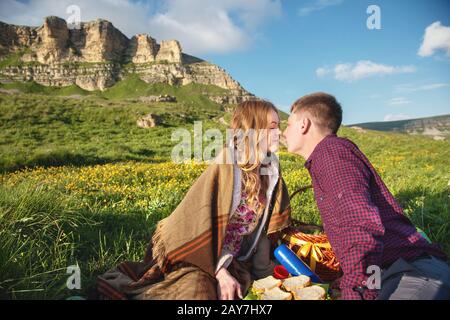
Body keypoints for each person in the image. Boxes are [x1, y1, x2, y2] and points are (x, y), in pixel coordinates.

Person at [96, 100, 292, 300]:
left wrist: (263, 272)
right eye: (272, 127)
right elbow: (201, 226)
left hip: (235, 257)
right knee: (196, 294)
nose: (279, 133)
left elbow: (262, 230)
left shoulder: (270, 170)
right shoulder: (227, 166)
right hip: (197, 256)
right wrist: (220, 272)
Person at [282, 92, 450, 300]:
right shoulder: (328, 155)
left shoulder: (330, 153)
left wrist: (357, 292)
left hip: (411, 272)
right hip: (394, 273)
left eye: (288, 124)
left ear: (303, 125)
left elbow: (359, 225)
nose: (284, 132)